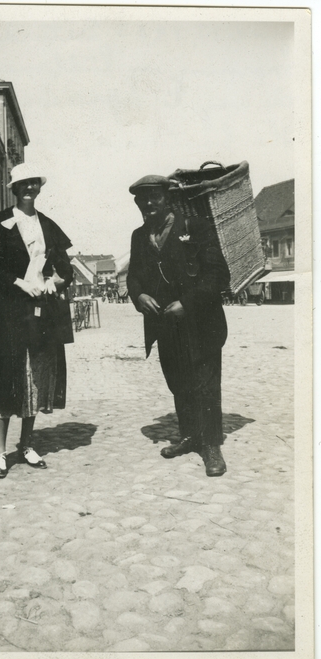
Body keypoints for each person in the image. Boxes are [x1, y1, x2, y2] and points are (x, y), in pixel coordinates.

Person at [127, 175, 230, 477]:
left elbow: (217, 275)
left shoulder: (195, 228)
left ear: (168, 199)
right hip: (164, 325)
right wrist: (139, 294)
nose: (148, 204)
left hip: (201, 324)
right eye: (142, 199)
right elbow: (133, 276)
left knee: (206, 385)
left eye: (154, 198)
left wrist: (187, 303)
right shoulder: (139, 235)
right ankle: (189, 436)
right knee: (179, 382)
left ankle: (211, 446)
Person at [0, 163, 74, 479]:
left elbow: (66, 269)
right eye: (24, 184)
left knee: (36, 376)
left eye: (34, 184)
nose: (30, 189)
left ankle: (27, 443)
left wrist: (54, 282)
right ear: (14, 189)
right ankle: (0, 452)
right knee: (8, 372)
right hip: (8, 311)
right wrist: (19, 282)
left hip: (40, 312)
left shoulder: (47, 224)